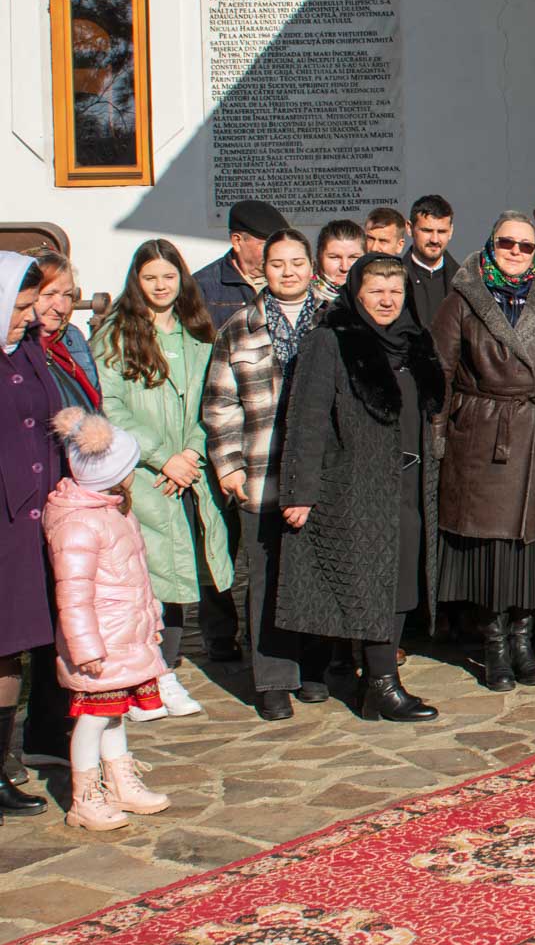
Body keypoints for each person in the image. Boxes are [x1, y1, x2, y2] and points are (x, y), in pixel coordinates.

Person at [279, 255, 446, 723]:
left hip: (410, 481)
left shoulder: (414, 342)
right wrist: (300, 490)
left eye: (395, 290)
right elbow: (307, 418)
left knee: (401, 583)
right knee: (371, 584)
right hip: (356, 484)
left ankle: (378, 681)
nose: (387, 300)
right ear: (356, 293)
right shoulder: (330, 341)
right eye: (376, 291)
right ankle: (381, 684)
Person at [433, 213, 535, 694]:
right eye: (506, 243)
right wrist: (439, 438)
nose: (515, 251)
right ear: (491, 245)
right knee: (491, 546)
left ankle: (523, 640)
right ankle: (494, 645)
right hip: (481, 431)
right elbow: (440, 372)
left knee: (531, 539)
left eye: (526, 246)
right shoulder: (463, 298)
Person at [92, 239, 231, 716]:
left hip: (190, 472)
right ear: (137, 281)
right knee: (150, 577)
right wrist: (161, 456)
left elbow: (213, 398)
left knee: (182, 569)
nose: (160, 286)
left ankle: (162, 670)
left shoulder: (198, 333)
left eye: (168, 277)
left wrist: (190, 452)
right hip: (145, 475)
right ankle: (154, 674)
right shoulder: (116, 337)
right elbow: (110, 405)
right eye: (150, 278)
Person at [201, 229, 331, 721]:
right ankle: (273, 678)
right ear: (264, 269)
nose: (288, 272)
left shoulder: (332, 320)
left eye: (297, 262)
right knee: (267, 576)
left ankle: (314, 668)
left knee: (316, 573)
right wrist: (229, 464)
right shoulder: (240, 327)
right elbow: (220, 404)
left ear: (311, 267)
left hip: (321, 475)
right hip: (261, 471)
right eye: (278, 263)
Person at [43, 409, 173, 830]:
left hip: (124, 636)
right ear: (112, 474)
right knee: (94, 717)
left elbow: (137, 577)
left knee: (114, 712)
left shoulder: (114, 512)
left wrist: (152, 619)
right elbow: (73, 595)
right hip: (100, 642)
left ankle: (119, 780)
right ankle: (84, 796)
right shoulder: (79, 524)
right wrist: (85, 648)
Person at [0, 254, 58, 823]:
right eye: (19, 307)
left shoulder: (29, 349)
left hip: (29, 522)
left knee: (10, 645)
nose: (30, 316)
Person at [193, 200, 290, 332]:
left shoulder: (292, 277)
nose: (275, 253)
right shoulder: (203, 286)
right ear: (237, 241)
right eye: (267, 245)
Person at [27, 251, 99, 411]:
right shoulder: (16, 346)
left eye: (67, 295)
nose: (61, 307)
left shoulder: (72, 336)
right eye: (49, 294)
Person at [403, 194, 455, 327]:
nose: (435, 240)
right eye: (427, 231)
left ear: (451, 231)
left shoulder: (466, 281)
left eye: (441, 231)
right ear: (409, 228)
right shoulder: (394, 279)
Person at [313, 220, 366, 305]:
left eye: (353, 257)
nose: (345, 267)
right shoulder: (301, 298)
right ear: (319, 257)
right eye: (334, 257)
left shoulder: (382, 297)